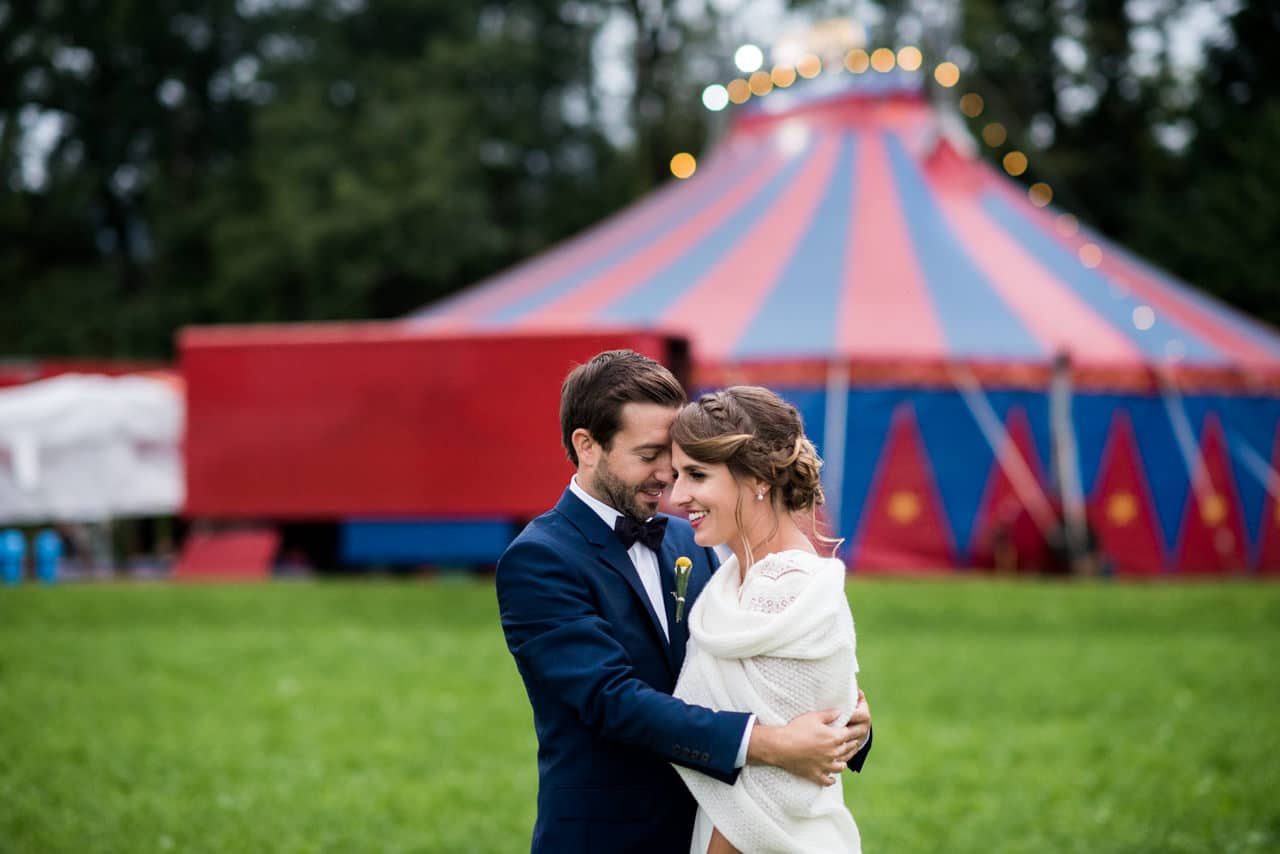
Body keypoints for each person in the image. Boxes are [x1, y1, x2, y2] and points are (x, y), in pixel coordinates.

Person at [496, 351, 872, 853]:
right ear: (587, 446)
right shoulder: (540, 559)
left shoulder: (688, 541)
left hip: (713, 824)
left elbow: (749, 665)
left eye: (676, 461)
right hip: (609, 837)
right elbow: (612, 700)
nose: (668, 480)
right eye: (650, 456)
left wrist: (846, 721)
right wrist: (772, 745)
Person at [669, 386, 866, 854]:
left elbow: (766, 802)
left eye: (697, 474)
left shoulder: (786, 591)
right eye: (677, 474)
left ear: (758, 477)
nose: (678, 495)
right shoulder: (734, 578)